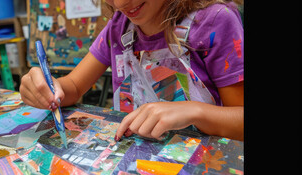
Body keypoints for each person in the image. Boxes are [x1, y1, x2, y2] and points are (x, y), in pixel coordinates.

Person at [20, 0, 244, 141]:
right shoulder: (119, 27)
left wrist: (195, 111)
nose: (120, 4)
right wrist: (51, 88)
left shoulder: (214, 21)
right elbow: (75, 86)